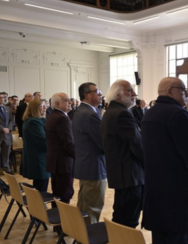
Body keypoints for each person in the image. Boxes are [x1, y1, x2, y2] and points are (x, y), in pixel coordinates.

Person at [141, 77, 188, 244]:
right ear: (171, 91)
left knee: (160, 238)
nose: (187, 95)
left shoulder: (150, 113)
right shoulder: (178, 113)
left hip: (155, 191)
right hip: (177, 195)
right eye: (184, 91)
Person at [101, 80, 144, 228]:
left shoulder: (110, 111)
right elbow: (137, 145)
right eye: (129, 91)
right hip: (129, 174)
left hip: (121, 173)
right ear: (117, 95)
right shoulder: (122, 114)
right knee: (129, 220)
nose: (134, 94)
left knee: (120, 215)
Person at [72, 82, 107, 224]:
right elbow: (103, 143)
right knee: (92, 208)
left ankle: (80, 235)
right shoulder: (90, 114)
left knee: (85, 205)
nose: (100, 94)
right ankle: (87, 238)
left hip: (86, 164)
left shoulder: (82, 111)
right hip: (93, 166)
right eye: (97, 91)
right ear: (86, 95)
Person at [45, 93, 75, 204]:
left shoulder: (53, 115)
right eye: (67, 100)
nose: (70, 102)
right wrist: (78, 157)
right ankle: (61, 219)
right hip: (63, 161)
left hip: (56, 161)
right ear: (57, 103)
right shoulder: (62, 118)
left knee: (58, 193)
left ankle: (57, 217)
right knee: (64, 194)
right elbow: (68, 143)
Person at [22, 99, 50, 192]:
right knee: (41, 190)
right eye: (42, 106)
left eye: (45, 105)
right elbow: (43, 142)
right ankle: (38, 206)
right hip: (39, 159)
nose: (45, 107)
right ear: (34, 108)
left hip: (37, 158)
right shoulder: (34, 122)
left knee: (40, 186)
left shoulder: (31, 120)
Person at [0, 94, 12, 173]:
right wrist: (2, 128)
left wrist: (9, 128)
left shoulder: (7, 108)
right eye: (0, 98)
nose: (2, 99)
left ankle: (6, 169)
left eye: (3, 98)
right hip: (0, 132)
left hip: (7, 134)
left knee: (6, 153)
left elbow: (11, 120)